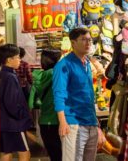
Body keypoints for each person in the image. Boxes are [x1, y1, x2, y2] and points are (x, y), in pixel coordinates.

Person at [53, 28, 103, 161]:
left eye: (89, 40)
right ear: (73, 42)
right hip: (73, 123)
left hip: (90, 121)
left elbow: (88, 96)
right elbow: (59, 94)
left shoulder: (87, 63)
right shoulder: (64, 65)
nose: (88, 43)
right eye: (83, 40)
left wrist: (96, 123)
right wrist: (62, 121)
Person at [0, 44, 31, 161]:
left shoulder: (1, 74)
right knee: (24, 152)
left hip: (4, 122)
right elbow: (11, 102)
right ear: (9, 60)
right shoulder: (10, 76)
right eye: (17, 57)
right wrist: (22, 115)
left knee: (6, 151)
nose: (19, 60)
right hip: (15, 123)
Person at [31, 49, 62, 161]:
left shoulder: (39, 75)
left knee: (54, 156)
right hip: (59, 121)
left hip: (44, 121)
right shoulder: (58, 74)